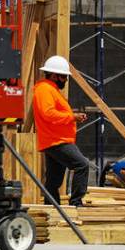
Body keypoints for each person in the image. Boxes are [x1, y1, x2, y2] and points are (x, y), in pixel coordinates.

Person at [32, 55, 91, 206]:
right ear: (53, 75)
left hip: (54, 140)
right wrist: (72, 117)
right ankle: (76, 203)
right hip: (57, 141)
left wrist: (72, 116)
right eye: (63, 77)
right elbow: (48, 113)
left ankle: (51, 208)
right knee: (82, 165)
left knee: (53, 180)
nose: (65, 80)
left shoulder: (50, 89)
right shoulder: (45, 89)